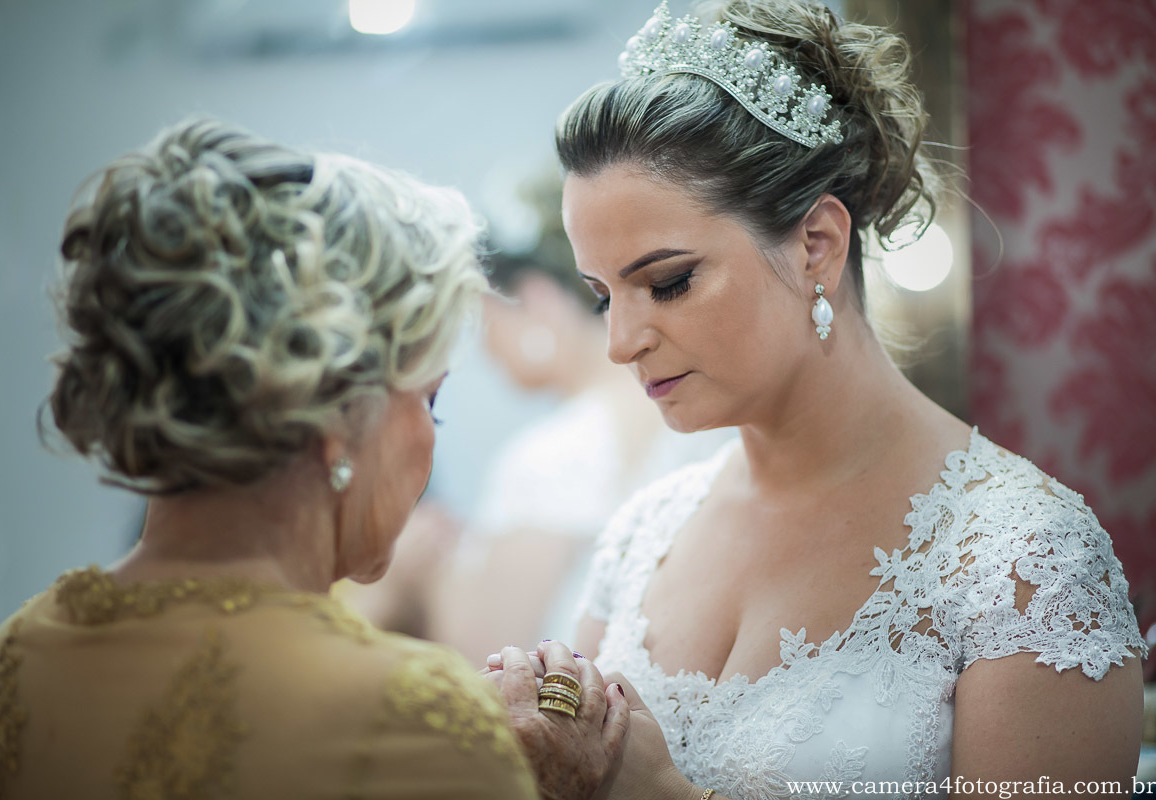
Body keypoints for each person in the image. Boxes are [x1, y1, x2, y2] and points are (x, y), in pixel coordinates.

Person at [491, 1, 1146, 796]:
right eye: (603, 296)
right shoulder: (644, 535)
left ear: (816, 245)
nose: (621, 341)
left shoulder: (1025, 567)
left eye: (668, 283)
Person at [0, 118, 628, 800]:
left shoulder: (17, 655)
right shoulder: (412, 719)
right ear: (338, 414)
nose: (429, 440)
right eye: (430, 401)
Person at [430, 172, 734, 662]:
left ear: (536, 300)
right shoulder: (700, 404)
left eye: (486, 321)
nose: (487, 349)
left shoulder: (555, 452)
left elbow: (488, 656)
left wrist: (430, 573)